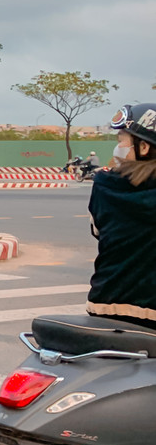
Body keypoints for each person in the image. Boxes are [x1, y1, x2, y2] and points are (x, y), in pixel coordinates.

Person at [87, 104, 156, 326]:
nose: (117, 147)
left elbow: (98, 231)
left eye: (121, 141)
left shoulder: (104, 186)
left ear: (143, 147)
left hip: (104, 308)